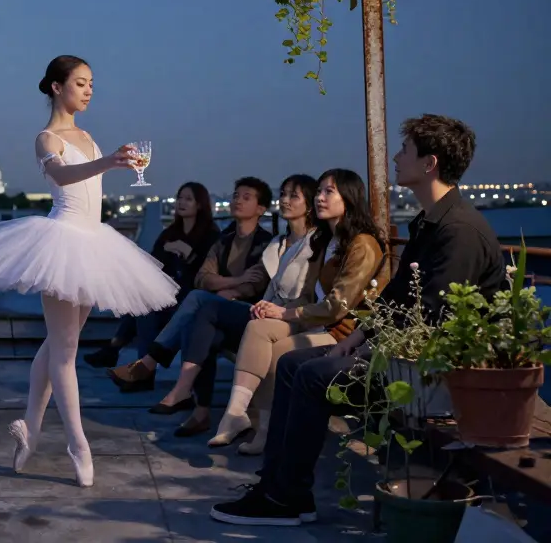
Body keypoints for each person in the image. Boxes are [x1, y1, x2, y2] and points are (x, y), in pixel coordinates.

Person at [210, 114, 505, 526]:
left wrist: (366, 347)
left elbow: (434, 315)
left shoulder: (458, 232)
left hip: (438, 373)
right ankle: (277, 489)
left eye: (405, 151)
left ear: (429, 164)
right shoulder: (429, 221)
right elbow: (398, 294)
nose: (396, 158)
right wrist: (359, 335)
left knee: (313, 375)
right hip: (404, 355)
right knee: (294, 363)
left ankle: (284, 498)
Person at [0, 55, 180, 487]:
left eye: (92, 83)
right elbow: (66, 177)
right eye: (81, 83)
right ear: (56, 86)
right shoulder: (45, 138)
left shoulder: (87, 134)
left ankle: (30, 431)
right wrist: (108, 162)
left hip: (94, 244)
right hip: (62, 243)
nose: (89, 90)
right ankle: (78, 443)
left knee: (57, 345)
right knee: (66, 352)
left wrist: (109, 160)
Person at [171, 170, 386, 440]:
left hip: (342, 332)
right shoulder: (326, 241)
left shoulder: (361, 244)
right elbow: (309, 295)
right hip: (316, 321)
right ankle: (237, 416)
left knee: (276, 350)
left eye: (328, 192)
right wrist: (270, 308)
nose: (320, 197)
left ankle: (263, 430)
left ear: (350, 198)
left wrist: (283, 312)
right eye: (318, 191)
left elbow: (336, 306)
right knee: (255, 327)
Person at [108, 177, 274, 393]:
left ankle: (146, 364)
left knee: (195, 301)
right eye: (235, 196)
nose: (237, 201)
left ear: (260, 208)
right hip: (212, 306)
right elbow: (203, 278)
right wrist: (236, 280)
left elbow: (255, 284)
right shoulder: (223, 240)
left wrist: (229, 289)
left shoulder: (265, 243)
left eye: (246, 197)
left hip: (246, 311)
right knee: (187, 311)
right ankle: (192, 402)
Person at [83, 181, 219, 369]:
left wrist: (187, 253)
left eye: (188, 199)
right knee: (145, 303)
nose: (182, 202)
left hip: (191, 298)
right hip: (169, 294)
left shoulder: (210, 235)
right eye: (180, 198)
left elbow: (205, 273)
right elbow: (154, 264)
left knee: (146, 307)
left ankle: (119, 353)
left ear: (200, 204)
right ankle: (134, 364)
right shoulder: (171, 233)